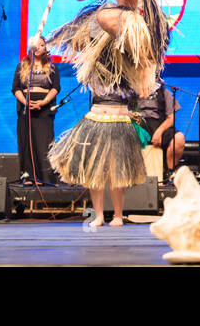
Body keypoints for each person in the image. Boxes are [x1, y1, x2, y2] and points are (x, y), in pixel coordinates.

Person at [49, 83, 146, 227]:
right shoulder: (95, 71)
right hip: (96, 120)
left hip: (119, 123)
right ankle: (99, 216)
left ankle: (118, 215)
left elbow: (143, 90)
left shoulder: (127, 74)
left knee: (116, 170)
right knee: (95, 170)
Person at [13, 37, 60, 184]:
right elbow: (15, 88)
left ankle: (44, 178)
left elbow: (56, 87)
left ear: (46, 48)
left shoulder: (52, 66)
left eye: (42, 45)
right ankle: (28, 176)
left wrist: (44, 102)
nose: (39, 47)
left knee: (44, 142)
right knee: (27, 141)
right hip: (26, 108)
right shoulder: (21, 66)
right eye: (36, 45)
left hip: (44, 109)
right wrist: (26, 102)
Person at [136, 78, 185, 178]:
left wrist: (159, 132)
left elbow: (171, 117)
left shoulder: (164, 92)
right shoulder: (130, 93)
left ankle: (169, 172)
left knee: (179, 138)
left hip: (159, 127)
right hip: (138, 126)